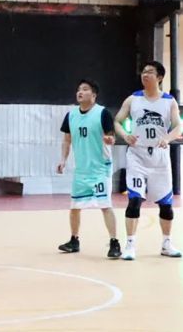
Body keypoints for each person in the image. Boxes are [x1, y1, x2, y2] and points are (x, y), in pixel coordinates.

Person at [114, 61, 183, 261]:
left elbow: (179, 126)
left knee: (166, 204)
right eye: (143, 72)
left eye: (150, 72)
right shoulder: (133, 99)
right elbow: (117, 121)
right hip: (137, 155)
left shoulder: (169, 101)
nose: (145, 75)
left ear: (160, 77)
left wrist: (167, 138)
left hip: (160, 157)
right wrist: (125, 135)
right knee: (134, 199)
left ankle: (166, 243)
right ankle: (130, 245)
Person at [56, 80, 120, 258]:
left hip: (100, 169)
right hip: (81, 170)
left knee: (105, 205)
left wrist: (110, 140)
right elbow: (67, 140)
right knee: (75, 206)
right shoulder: (71, 115)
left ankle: (114, 242)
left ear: (94, 95)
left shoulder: (102, 113)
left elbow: (111, 137)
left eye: (85, 89)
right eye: (79, 89)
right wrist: (63, 160)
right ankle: (74, 240)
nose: (80, 92)